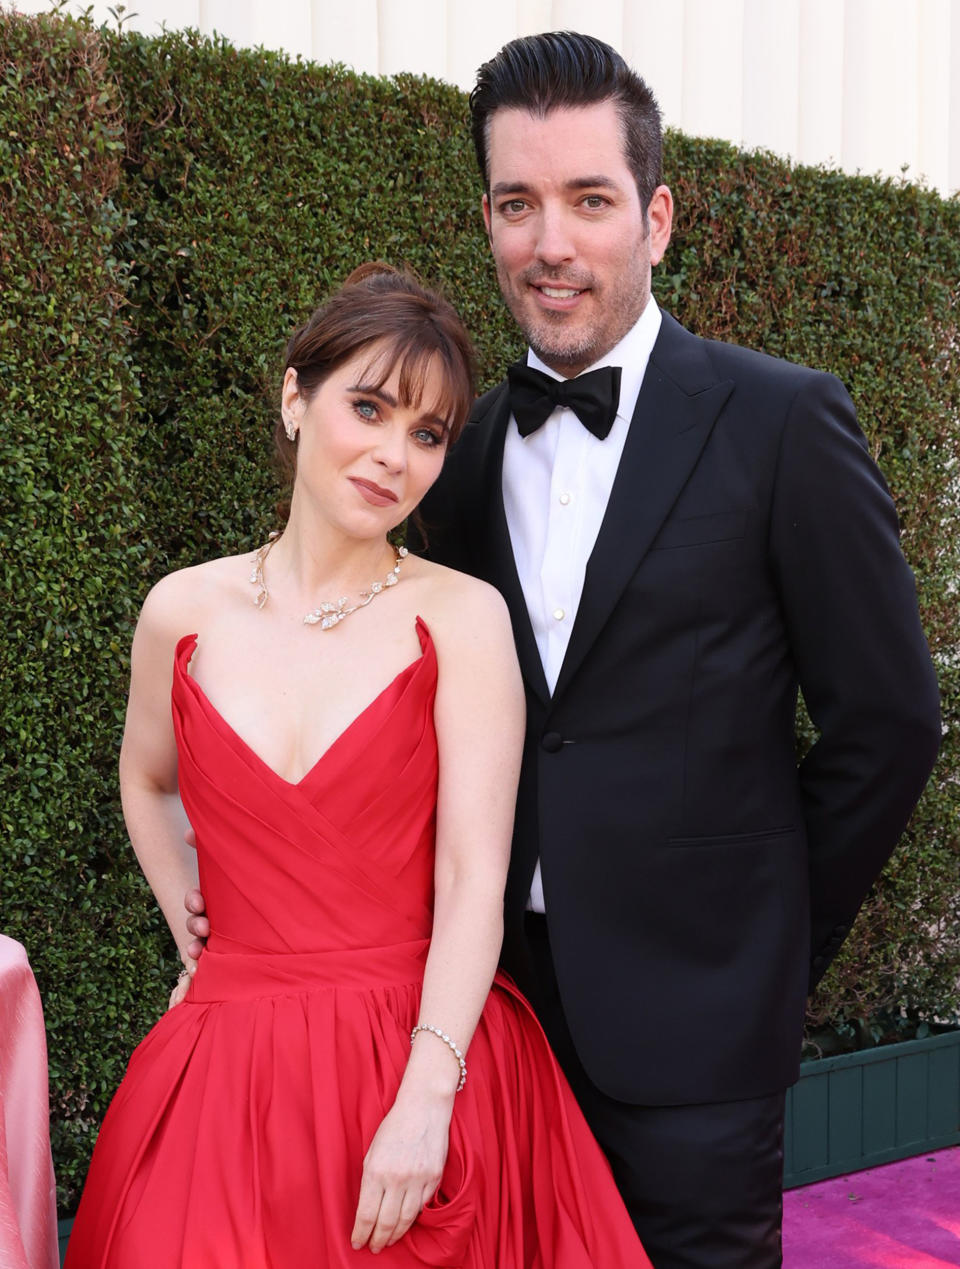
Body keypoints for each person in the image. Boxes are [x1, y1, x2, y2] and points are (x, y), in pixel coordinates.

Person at [405, 30, 941, 1269]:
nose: (552, 243)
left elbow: (888, 721)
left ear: (654, 218)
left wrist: (768, 945)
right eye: (517, 203)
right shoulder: (460, 454)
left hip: (702, 1033)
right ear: (486, 221)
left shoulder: (781, 418)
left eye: (589, 201)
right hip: (500, 1023)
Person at [65, 264, 651, 1267]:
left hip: (413, 1057)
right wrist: (194, 927)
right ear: (295, 397)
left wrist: (430, 1093)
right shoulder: (181, 610)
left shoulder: (462, 618)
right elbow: (147, 778)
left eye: (426, 435)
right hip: (222, 1065)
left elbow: (475, 876)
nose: (393, 456)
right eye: (369, 408)